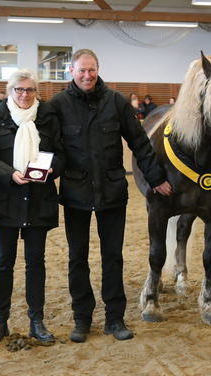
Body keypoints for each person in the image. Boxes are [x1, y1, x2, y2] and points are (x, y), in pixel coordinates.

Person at [50, 48, 172, 343]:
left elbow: (140, 143)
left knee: (113, 257)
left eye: (91, 70)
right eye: (81, 70)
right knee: (77, 258)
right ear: (71, 72)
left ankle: (114, 319)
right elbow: (48, 147)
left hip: (112, 192)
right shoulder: (58, 104)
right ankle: (82, 318)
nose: (87, 75)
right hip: (75, 193)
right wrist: (40, 174)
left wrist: (156, 178)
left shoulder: (116, 102)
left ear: (98, 69)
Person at [0, 69, 65, 348]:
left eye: (29, 90)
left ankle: (36, 320)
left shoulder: (49, 116)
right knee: (3, 263)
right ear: (9, 91)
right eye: (19, 90)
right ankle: (0, 321)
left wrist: (54, 169)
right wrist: (8, 174)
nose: (24, 95)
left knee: (35, 263)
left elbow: (63, 153)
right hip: (5, 199)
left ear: (36, 92)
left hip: (39, 200)